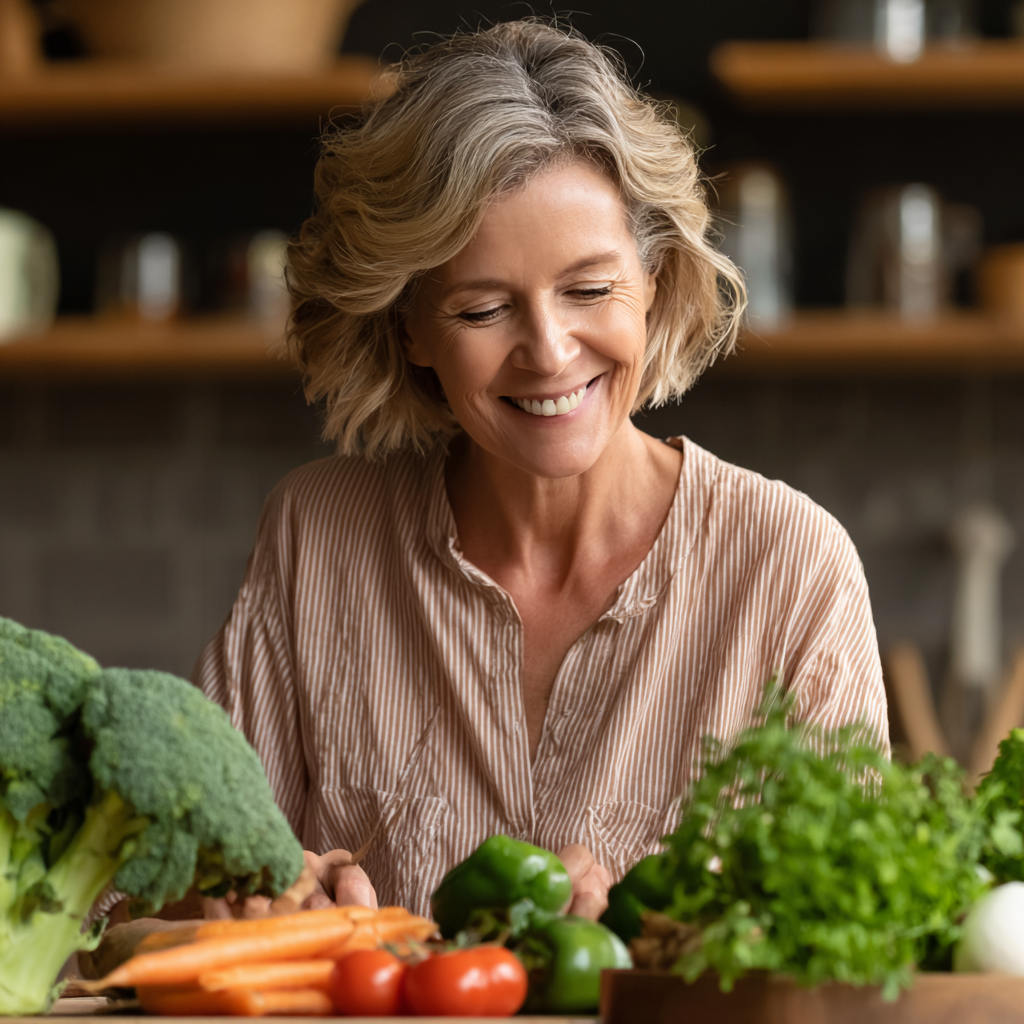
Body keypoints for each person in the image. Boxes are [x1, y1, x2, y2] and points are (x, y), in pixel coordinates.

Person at [193, 20, 888, 921]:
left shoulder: (791, 567)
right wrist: (255, 900)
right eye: (484, 309)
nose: (551, 352)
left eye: (591, 290)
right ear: (410, 328)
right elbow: (152, 903)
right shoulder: (314, 536)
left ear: (655, 281)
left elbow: (857, 944)